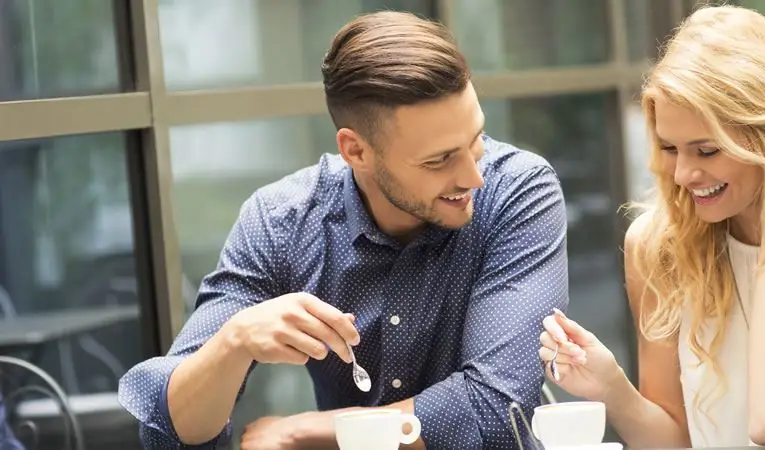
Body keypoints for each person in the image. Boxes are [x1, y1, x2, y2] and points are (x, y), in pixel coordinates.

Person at [118, 11, 569, 450]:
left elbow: (494, 412)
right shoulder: (281, 222)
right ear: (356, 150)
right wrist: (233, 342)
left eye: (476, 141)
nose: (474, 176)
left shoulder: (519, 192)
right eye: (439, 160)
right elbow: (170, 434)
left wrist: (308, 431)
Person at [538, 5, 765, 448]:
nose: (682, 175)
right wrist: (613, 390)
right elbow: (676, 441)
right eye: (670, 148)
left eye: (707, 151)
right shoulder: (657, 245)